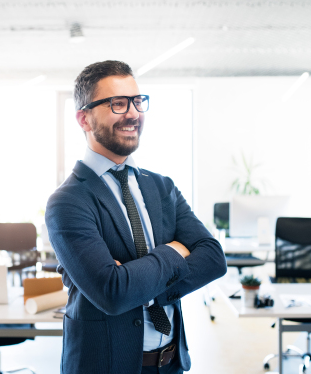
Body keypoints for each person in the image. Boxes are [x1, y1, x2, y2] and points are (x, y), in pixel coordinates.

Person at [45, 60, 227, 374]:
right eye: (117, 104)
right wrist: (175, 252)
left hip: (171, 365)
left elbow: (213, 258)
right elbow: (113, 294)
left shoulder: (161, 186)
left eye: (137, 101)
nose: (133, 113)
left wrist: (138, 285)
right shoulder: (67, 202)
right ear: (84, 119)